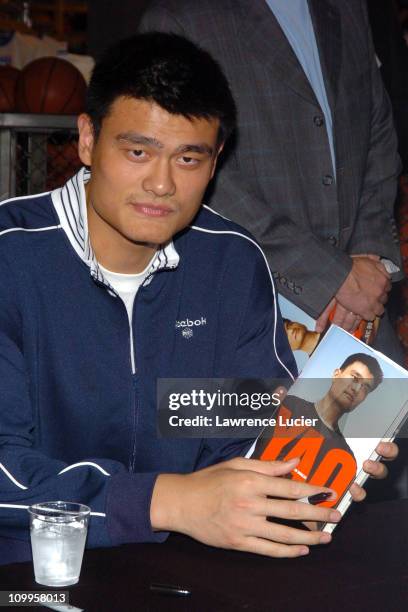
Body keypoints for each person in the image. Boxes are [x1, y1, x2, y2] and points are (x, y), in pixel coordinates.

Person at [0, 33, 396, 565]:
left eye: (189, 158)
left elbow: (239, 424)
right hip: (29, 571)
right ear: (88, 139)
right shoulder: (12, 258)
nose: (162, 184)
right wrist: (166, 501)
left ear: (216, 163)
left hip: (189, 566)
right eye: (138, 151)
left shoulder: (232, 262)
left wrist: (305, 471)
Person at [138, 0, 404, 364]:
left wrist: (369, 264)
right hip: (238, 312)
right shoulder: (181, 17)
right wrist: (329, 275)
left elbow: (377, 132)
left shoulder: (348, 8)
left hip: (361, 313)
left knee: (378, 422)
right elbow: (186, 173)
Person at [254, 353, 383, 498]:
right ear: (336, 374)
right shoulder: (288, 404)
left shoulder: (345, 458)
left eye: (366, 388)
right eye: (354, 377)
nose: (357, 389)